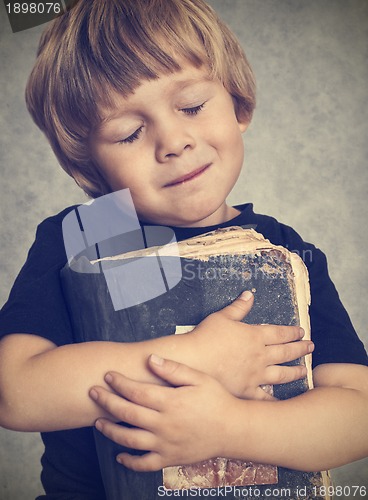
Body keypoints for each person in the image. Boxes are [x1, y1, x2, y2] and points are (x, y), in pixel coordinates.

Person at [0, 0, 367, 498]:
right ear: (91, 168)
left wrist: (230, 427)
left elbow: (357, 413)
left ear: (238, 105)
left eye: (191, 106)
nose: (173, 141)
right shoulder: (90, 233)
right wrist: (194, 357)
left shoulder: (284, 250)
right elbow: (16, 394)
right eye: (129, 133)